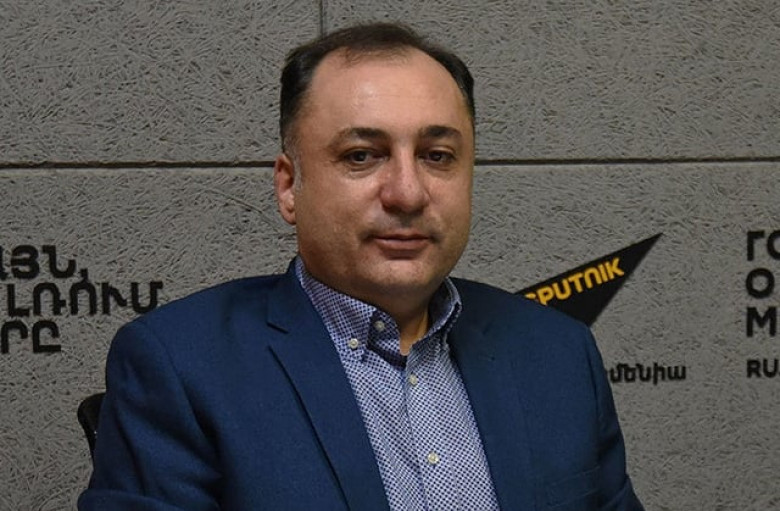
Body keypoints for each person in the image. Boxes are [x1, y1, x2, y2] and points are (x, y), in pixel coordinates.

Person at [79, 22, 643, 511]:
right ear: (289, 187)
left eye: (437, 156)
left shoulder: (558, 353)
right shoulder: (181, 367)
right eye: (361, 156)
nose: (407, 193)